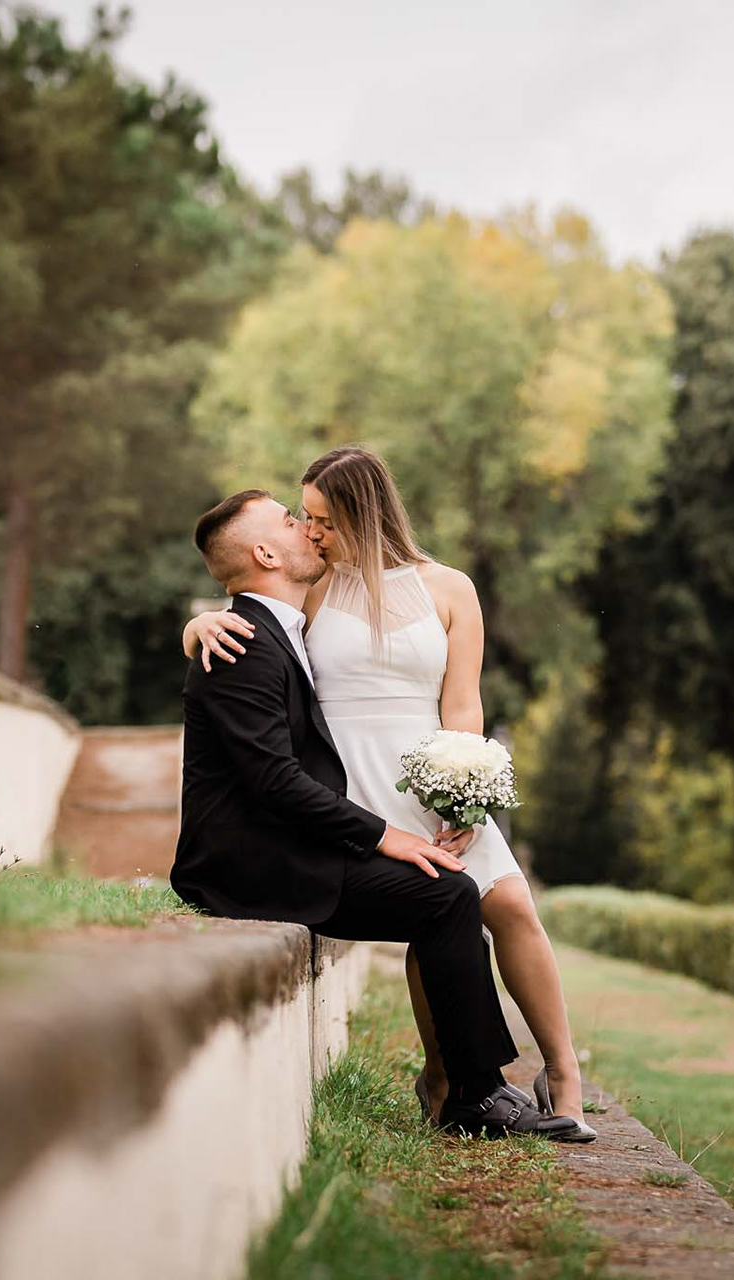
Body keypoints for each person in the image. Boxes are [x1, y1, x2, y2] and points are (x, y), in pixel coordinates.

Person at [184, 448, 597, 1142]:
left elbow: (462, 701)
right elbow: (251, 613)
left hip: (432, 772)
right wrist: (194, 626)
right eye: (301, 519)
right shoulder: (314, 583)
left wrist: (462, 793)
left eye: (319, 518)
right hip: (349, 774)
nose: (310, 532)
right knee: (437, 900)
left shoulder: (450, 587)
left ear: (358, 511)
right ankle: (448, 1077)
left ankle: (561, 1075)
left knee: (510, 904)